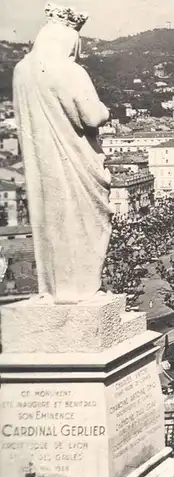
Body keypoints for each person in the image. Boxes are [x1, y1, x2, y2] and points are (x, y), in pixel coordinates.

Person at [13, 3, 111, 304]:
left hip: (41, 162)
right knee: (85, 219)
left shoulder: (21, 71)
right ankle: (84, 289)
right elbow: (92, 117)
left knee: (50, 218)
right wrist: (106, 110)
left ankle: (52, 289)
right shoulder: (69, 70)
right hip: (76, 160)